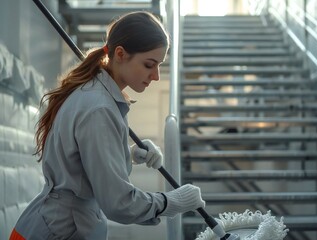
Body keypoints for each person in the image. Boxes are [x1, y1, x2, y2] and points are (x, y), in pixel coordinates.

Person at [10, 11, 205, 240]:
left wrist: (129, 153)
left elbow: (80, 161)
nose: (156, 76)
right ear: (121, 54)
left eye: (159, 65)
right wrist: (171, 201)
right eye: (149, 64)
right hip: (60, 231)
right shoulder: (99, 108)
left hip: (45, 224)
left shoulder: (93, 91)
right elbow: (119, 203)